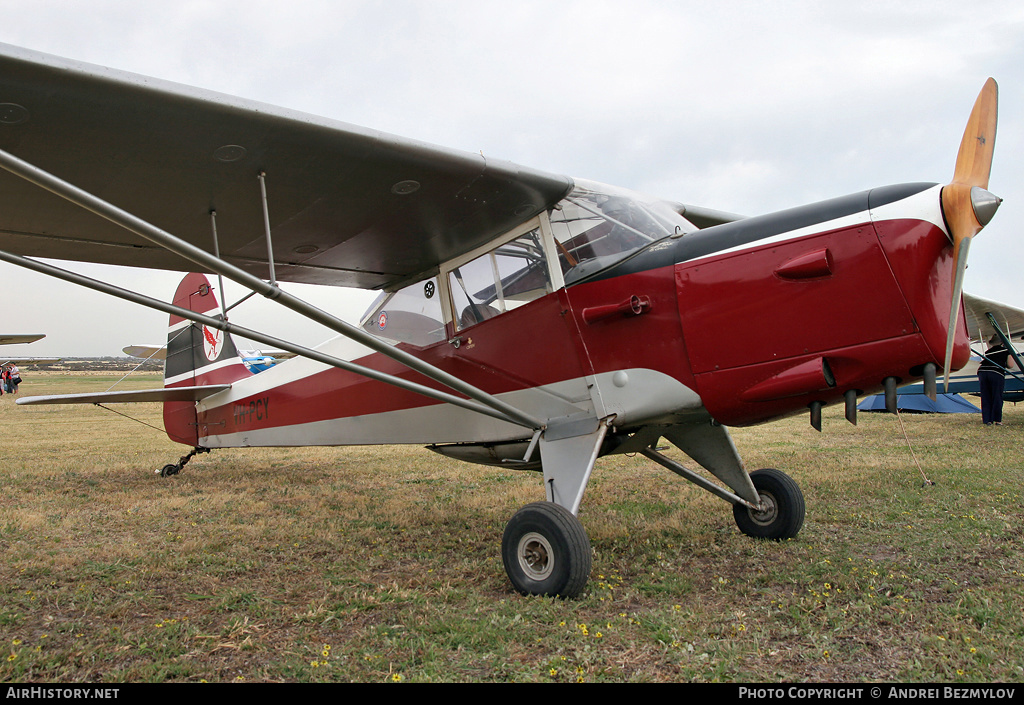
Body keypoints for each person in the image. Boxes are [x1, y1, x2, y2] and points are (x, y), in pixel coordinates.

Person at [978, 335, 1015, 425]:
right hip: (996, 373)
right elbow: (1010, 365)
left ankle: (987, 420)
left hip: (982, 372)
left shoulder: (988, 352)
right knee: (997, 396)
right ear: (1002, 343)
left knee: (986, 396)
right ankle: (997, 420)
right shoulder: (1006, 351)